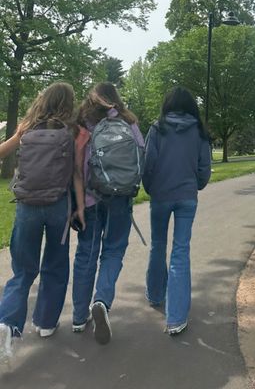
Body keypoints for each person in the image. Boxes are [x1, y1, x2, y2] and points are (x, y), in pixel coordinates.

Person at [0, 82, 85, 365]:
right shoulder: (71, 131)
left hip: (27, 206)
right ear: (68, 103)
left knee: (22, 271)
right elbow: (75, 174)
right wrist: (81, 208)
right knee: (56, 265)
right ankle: (46, 324)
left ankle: (7, 324)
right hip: (58, 206)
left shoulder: (27, 126)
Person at [71, 82, 144, 345]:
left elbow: (77, 170)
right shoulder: (129, 122)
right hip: (120, 199)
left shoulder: (82, 125)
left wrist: (78, 205)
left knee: (86, 255)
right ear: (115, 98)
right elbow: (140, 158)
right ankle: (101, 300)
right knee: (113, 251)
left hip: (90, 200)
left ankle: (79, 317)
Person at [143, 86, 211, 335]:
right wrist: (197, 185)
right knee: (181, 251)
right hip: (187, 196)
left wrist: (150, 188)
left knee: (158, 244)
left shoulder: (157, 128)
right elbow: (205, 167)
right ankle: (176, 317)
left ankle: (155, 293)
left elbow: (148, 163)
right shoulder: (199, 132)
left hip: (160, 195)